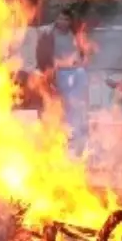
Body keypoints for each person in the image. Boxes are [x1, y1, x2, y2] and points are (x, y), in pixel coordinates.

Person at [35, 8, 88, 153]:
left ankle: (72, 134)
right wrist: (49, 70)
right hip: (57, 73)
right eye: (60, 18)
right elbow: (42, 55)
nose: (62, 22)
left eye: (65, 19)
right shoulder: (48, 33)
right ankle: (52, 137)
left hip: (74, 72)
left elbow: (83, 53)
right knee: (56, 104)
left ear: (70, 21)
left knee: (74, 104)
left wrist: (80, 62)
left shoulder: (75, 34)